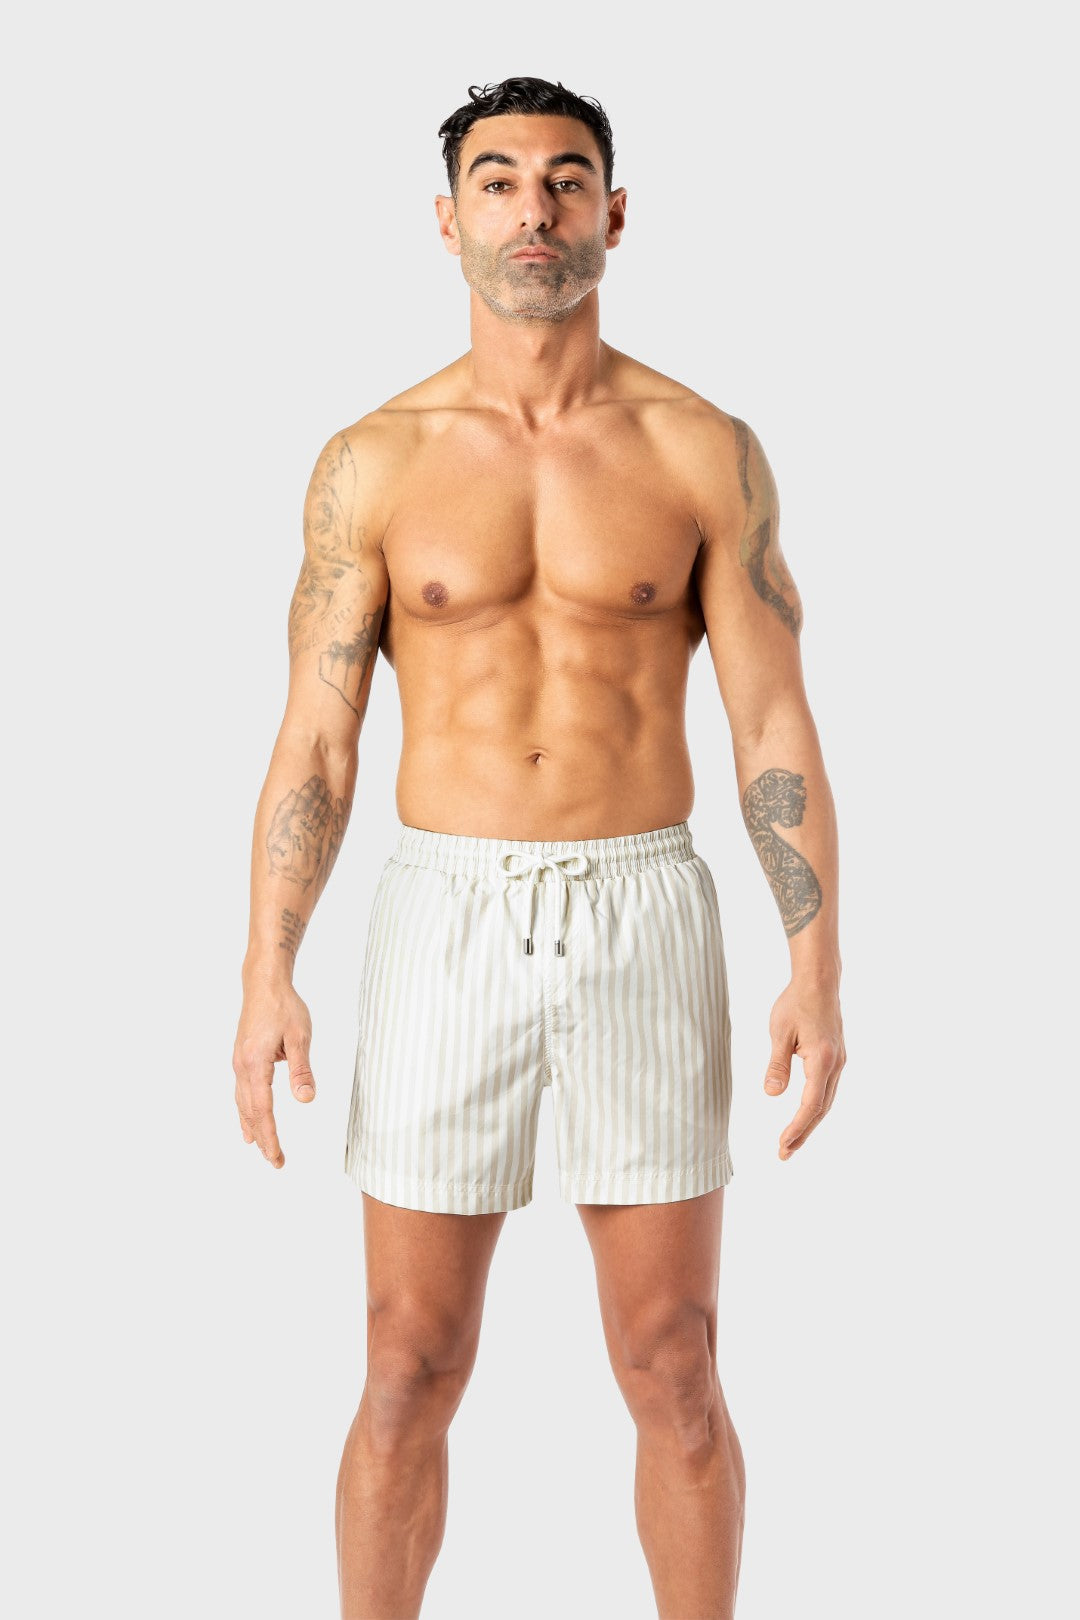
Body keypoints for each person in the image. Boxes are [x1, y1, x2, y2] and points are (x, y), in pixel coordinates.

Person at [232, 74, 846, 1620]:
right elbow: (318, 741)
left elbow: (772, 722)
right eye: (499, 180)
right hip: (442, 911)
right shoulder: (374, 461)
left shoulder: (701, 450)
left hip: (645, 903)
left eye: (567, 180)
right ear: (447, 221)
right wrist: (266, 971)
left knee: (675, 1364)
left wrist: (815, 967)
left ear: (614, 217)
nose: (535, 209)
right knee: (406, 1363)